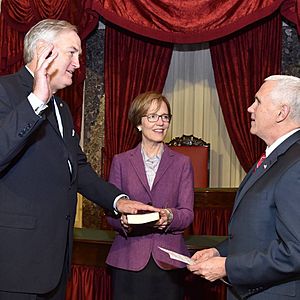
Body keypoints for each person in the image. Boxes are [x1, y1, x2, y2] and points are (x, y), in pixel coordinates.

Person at [0, 19, 159, 300]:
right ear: (43, 52)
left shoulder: (61, 107)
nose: (77, 64)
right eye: (72, 53)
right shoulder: (5, 92)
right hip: (15, 265)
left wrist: (117, 201)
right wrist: (36, 100)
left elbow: (78, 169)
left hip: (55, 263)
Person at [187, 75, 300, 299]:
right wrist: (219, 251)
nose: (250, 108)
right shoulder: (276, 157)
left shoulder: (296, 164)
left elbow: (295, 251)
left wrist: (228, 267)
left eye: (258, 102)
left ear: (281, 113)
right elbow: (258, 233)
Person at [106, 91, 194, 300]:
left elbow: (187, 213)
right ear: (139, 122)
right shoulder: (121, 161)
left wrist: (168, 216)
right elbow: (111, 211)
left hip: (169, 262)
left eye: (164, 117)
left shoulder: (182, 163)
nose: (160, 123)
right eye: (152, 116)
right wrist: (124, 222)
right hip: (128, 259)